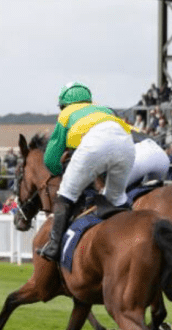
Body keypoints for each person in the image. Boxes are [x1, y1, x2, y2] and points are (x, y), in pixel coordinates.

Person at [37, 82, 136, 262]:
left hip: (95, 146)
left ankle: (53, 246)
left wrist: (62, 172)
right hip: (126, 144)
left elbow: (51, 159)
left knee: (65, 195)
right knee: (116, 200)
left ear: (64, 104)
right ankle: (133, 237)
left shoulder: (66, 114)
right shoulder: (105, 110)